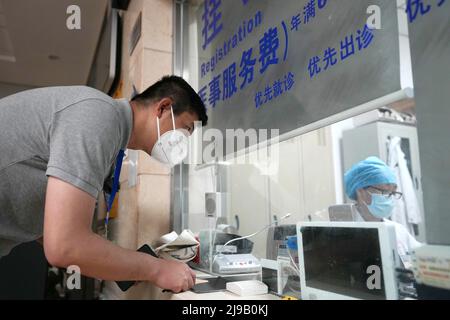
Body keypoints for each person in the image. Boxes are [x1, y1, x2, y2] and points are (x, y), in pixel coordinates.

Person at [0, 75, 207, 293]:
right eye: (184, 130)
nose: (181, 144)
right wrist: (156, 269)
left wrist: (122, 264)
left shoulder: (110, 137)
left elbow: (52, 229)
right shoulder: (97, 115)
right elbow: (64, 245)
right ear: (163, 107)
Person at [344, 156, 422, 268]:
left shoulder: (398, 230)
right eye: (385, 192)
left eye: (393, 193)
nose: (390, 198)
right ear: (361, 192)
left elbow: (423, 257)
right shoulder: (345, 232)